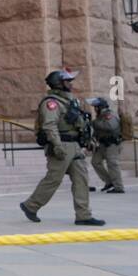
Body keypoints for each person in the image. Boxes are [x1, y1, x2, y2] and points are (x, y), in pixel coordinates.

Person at [20, 69, 104, 226]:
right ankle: (31, 205)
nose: (71, 84)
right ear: (59, 83)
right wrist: (57, 146)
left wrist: (88, 139)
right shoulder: (51, 103)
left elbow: (81, 123)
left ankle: (83, 215)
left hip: (74, 145)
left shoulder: (70, 101)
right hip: (62, 145)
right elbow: (50, 126)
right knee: (53, 179)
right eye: (67, 81)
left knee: (81, 179)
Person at [88, 97, 124, 193]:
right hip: (103, 143)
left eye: (95, 107)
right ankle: (109, 181)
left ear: (100, 107)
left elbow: (110, 126)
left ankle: (118, 187)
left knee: (112, 164)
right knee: (95, 161)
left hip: (112, 143)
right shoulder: (100, 116)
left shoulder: (109, 115)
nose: (94, 109)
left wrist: (94, 123)